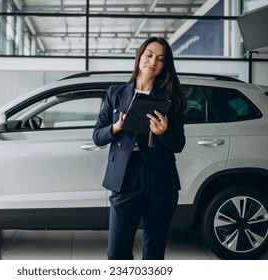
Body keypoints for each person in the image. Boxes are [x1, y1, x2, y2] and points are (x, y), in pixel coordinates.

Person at [93, 37, 187, 260]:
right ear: (139, 56)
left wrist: (164, 132)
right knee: (117, 254)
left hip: (160, 179)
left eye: (160, 59)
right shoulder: (115, 94)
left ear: (165, 65)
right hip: (125, 178)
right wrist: (116, 127)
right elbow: (97, 136)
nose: (153, 61)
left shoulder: (170, 96)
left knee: (154, 254)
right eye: (149, 54)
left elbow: (179, 144)